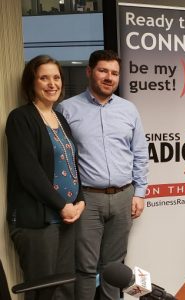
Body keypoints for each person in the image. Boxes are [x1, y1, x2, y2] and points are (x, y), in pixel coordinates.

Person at [56, 49, 149, 300]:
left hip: (123, 197)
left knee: (114, 266)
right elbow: (60, 156)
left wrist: (140, 192)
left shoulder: (129, 110)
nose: (109, 77)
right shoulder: (66, 109)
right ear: (89, 72)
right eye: (103, 71)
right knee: (86, 268)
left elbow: (140, 152)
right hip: (87, 199)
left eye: (115, 73)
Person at [5, 55, 85, 300]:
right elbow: (29, 173)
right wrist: (63, 206)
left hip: (68, 218)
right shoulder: (21, 118)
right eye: (44, 78)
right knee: (44, 293)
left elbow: (71, 163)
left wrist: (80, 199)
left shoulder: (60, 118)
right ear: (32, 82)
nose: (52, 84)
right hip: (38, 222)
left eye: (56, 77)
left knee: (65, 289)